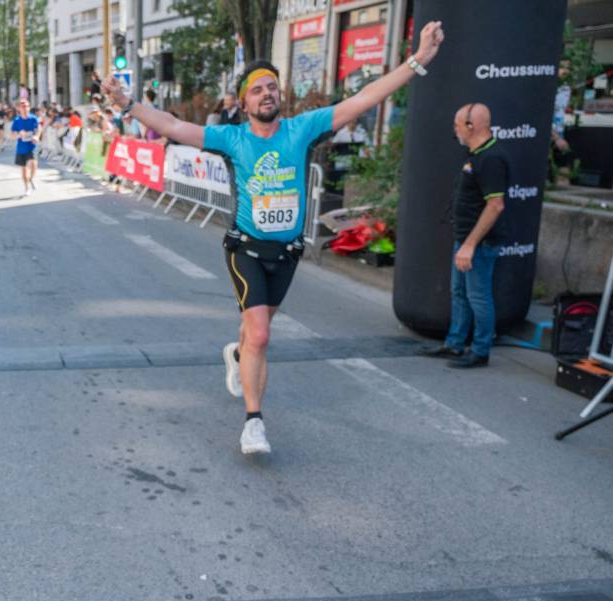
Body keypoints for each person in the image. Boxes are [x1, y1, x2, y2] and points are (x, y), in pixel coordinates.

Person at [102, 21, 445, 455]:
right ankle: (253, 423)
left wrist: (416, 62)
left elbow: (363, 99)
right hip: (245, 249)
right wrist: (129, 104)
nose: (268, 93)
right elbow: (172, 125)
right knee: (261, 334)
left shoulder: (301, 129)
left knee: (254, 335)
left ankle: (238, 356)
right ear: (244, 101)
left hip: (287, 253)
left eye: (273, 87)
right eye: (258, 89)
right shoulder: (231, 138)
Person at [419, 103, 508, 369]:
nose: (454, 130)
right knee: (459, 292)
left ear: (471, 126)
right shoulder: (475, 155)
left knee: (478, 296)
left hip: (478, 243)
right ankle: (455, 344)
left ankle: (480, 351)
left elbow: (496, 205)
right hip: (466, 240)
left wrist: (470, 244)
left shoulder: (492, 158)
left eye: (457, 125)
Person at [11, 97, 39, 196]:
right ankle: (27, 187)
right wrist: (19, 134)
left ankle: (30, 179)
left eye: (26, 106)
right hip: (21, 148)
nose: (25, 108)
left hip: (32, 146)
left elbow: (38, 130)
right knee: (24, 170)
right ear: (19, 108)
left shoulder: (33, 118)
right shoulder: (17, 120)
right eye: (22, 106)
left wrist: (36, 136)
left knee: (33, 166)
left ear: (29, 107)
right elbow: (12, 135)